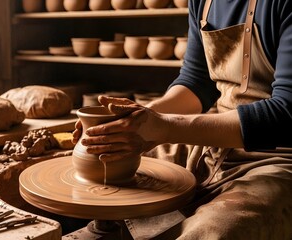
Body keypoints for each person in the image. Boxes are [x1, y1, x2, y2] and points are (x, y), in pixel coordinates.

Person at [72, 0, 292, 239]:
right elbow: (197, 82)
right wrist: (138, 118)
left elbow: (284, 115)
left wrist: (164, 127)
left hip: (279, 156)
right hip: (215, 142)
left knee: (217, 229)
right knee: (118, 168)